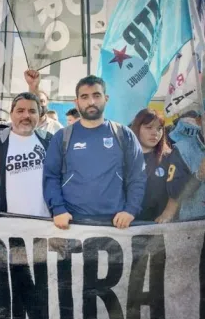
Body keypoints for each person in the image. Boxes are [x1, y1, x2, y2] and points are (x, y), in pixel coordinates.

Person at [43, 75, 146, 229]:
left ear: (106, 98)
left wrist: (130, 210)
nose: (91, 102)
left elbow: (137, 176)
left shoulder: (123, 134)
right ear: (76, 102)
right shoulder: (62, 136)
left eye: (96, 96)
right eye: (84, 97)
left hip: (116, 223)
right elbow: (51, 176)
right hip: (72, 222)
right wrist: (58, 209)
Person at [0, 93, 52, 215]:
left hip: (45, 222)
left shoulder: (49, 141)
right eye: (20, 111)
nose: (26, 115)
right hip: (9, 225)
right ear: (11, 114)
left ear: (39, 115)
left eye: (32, 111)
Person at [165, 106, 205, 220]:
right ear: (198, 120)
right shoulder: (183, 149)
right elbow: (174, 193)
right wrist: (199, 176)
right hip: (193, 226)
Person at [130, 109, 175, 222]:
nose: (155, 132)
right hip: (128, 226)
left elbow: (178, 190)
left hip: (160, 227)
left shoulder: (170, 157)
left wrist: (167, 213)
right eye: (149, 127)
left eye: (159, 128)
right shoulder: (124, 158)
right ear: (137, 128)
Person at [24, 69, 63, 135]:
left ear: (47, 102)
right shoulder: (19, 124)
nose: (38, 105)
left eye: (41, 101)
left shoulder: (56, 127)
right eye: (35, 102)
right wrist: (32, 85)